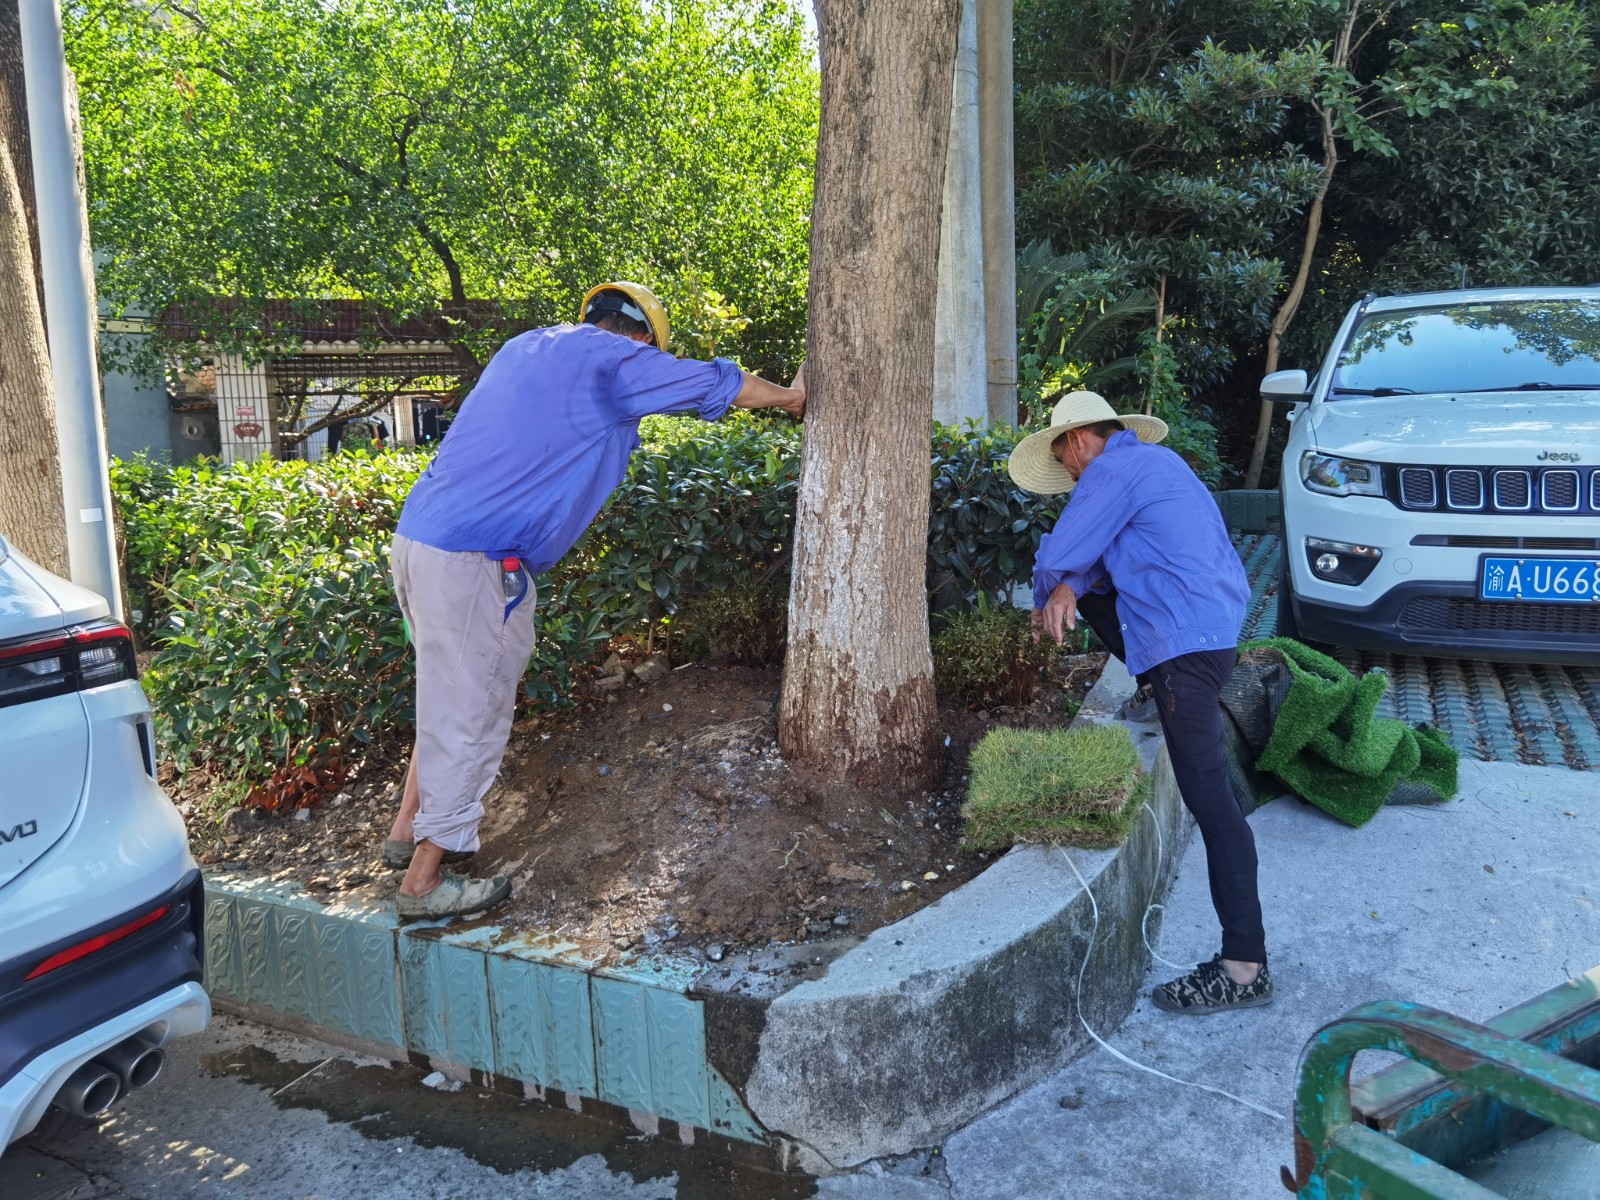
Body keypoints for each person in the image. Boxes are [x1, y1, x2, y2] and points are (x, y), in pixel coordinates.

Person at [384, 281, 806, 919]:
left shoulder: (526, 346)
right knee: (472, 711)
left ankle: (402, 832)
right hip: (475, 562)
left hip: (419, 542)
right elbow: (716, 384)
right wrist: (792, 397)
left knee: (443, 693)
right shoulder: (616, 361)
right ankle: (422, 881)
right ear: (642, 337)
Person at [1008, 391, 1269, 1014]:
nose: (1070, 475)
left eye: (1065, 460)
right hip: (1214, 635)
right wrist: (1074, 586)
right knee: (1088, 589)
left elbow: (1058, 553)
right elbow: (1092, 564)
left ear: (1076, 442)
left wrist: (1053, 595)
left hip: (1184, 652)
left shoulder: (1109, 471)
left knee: (1213, 804)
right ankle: (1152, 686)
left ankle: (1244, 966)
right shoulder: (1158, 464)